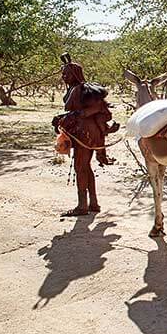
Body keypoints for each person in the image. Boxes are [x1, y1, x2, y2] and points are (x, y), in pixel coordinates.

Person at [52, 54, 118, 216]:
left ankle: (82, 206)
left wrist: (73, 116)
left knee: (80, 166)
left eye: (66, 74)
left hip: (85, 133)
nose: (63, 77)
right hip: (87, 131)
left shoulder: (81, 90)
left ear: (74, 74)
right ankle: (93, 203)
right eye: (63, 74)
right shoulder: (78, 89)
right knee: (85, 166)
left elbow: (95, 109)